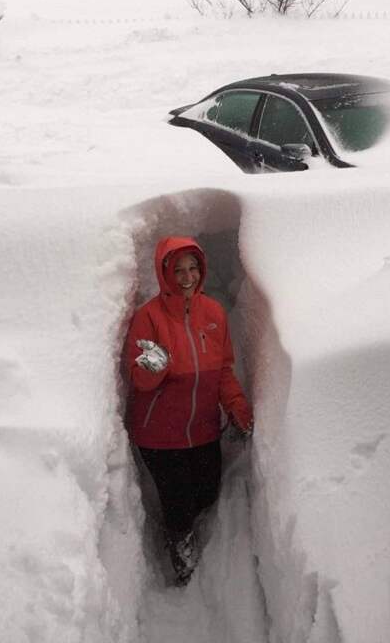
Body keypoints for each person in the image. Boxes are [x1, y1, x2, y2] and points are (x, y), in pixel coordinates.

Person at [125, 236, 253, 585]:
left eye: (193, 268)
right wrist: (156, 366)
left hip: (203, 430)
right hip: (160, 436)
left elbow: (223, 369)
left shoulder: (213, 314)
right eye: (178, 269)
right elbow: (137, 378)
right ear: (164, 272)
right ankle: (183, 562)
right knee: (179, 503)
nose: (187, 277)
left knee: (207, 493)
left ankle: (196, 538)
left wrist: (236, 406)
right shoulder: (148, 318)